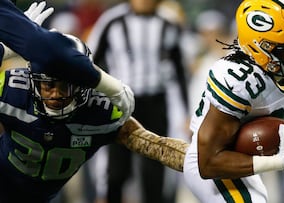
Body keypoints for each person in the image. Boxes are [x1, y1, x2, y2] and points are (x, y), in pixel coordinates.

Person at [0, 2, 189, 203]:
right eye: (48, 85)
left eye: (66, 86)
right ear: (32, 81)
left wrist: (197, 160)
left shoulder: (100, 110)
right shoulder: (10, 91)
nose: (56, 94)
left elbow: (153, 145)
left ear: (83, 85)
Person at [183, 0, 284, 202]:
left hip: (247, 159)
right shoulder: (238, 80)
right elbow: (207, 164)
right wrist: (276, 162)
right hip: (214, 159)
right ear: (262, 48)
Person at [86, 0, 189, 202]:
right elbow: (91, 60)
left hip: (156, 101)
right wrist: (92, 100)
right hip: (121, 101)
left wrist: (185, 113)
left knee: (156, 165)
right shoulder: (112, 20)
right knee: (116, 168)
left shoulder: (169, 23)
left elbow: (179, 70)